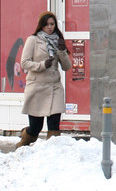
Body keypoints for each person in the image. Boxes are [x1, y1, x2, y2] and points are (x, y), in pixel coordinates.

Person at [16, 11, 73, 149]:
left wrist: (61, 51)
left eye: (52, 24)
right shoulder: (33, 40)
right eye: (46, 24)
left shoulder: (58, 39)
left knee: (54, 127)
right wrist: (42, 65)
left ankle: (53, 154)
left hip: (54, 87)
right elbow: (24, 63)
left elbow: (66, 67)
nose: (50, 27)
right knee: (36, 128)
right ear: (41, 25)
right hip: (37, 87)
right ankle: (24, 140)